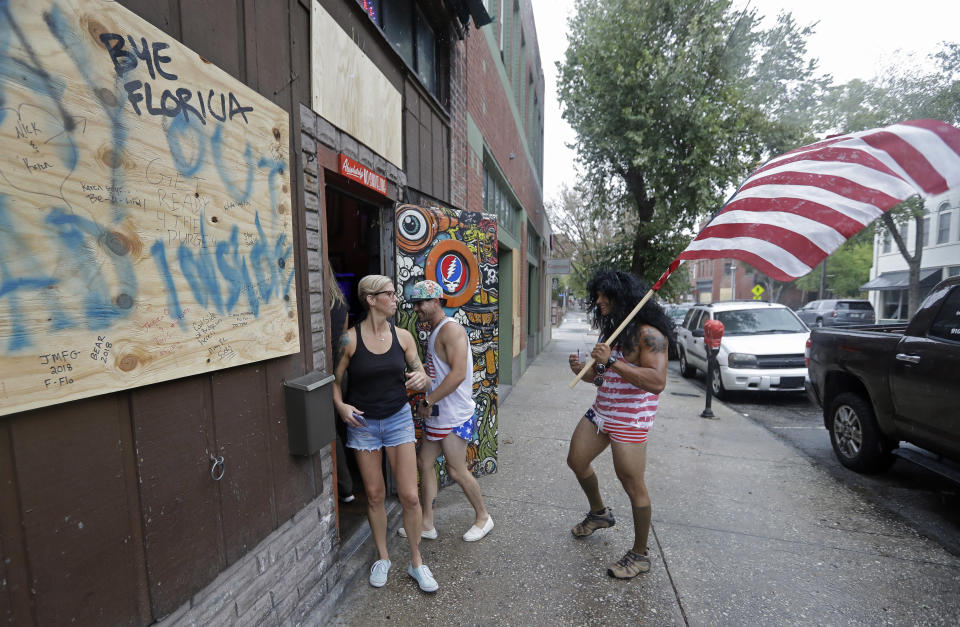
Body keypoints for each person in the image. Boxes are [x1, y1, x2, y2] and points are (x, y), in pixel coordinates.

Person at [332, 274, 439, 593]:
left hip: (398, 421)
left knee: (409, 495)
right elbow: (334, 383)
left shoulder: (404, 337)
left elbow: (423, 374)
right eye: (389, 294)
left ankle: (417, 562)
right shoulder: (349, 341)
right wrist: (341, 407)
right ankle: (382, 557)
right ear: (370, 299)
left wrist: (422, 380)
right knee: (375, 495)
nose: (396, 298)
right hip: (363, 426)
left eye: (394, 293)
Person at [566, 269, 673, 579]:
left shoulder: (650, 335)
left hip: (630, 419)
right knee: (576, 460)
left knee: (632, 484)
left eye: (604, 296)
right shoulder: (612, 332)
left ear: (621, 298)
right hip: (602, 412)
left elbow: (657, 382)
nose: (598, 301)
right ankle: (599, 513)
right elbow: (602, 378)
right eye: (596, 295)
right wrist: (584, 369)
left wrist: (613, 361)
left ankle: (640, 556)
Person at [401, 280, 494, 543]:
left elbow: (456, 376)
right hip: (440, 414)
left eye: (421, 303)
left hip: (453, 415)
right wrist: (422, 382)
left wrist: (427, 401)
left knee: (456, 470)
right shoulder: (437, 330)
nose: (416, 308)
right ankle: (427, 523)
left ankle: (483, 517)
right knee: (424, 463)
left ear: (437, 301)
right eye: (414, 303)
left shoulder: (450, 330)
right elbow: (440, 375)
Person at [326, 264, 354, 503]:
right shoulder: (341, 303)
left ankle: (345, 487)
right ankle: (348, 483)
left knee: (331, 429)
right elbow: (343, 340)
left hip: (327, 373)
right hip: (342, 372)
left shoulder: (317, 303)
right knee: (341, 426)